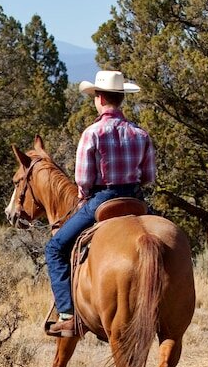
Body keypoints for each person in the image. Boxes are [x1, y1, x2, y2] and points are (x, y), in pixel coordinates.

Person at [47, 70, 156, 337]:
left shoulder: (92, 133)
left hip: (102, 200)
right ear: (121, 98)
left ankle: (68, 314)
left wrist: (84, 196)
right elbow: (149, 177)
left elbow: (83, 180)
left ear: (100, 98)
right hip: (135, 200)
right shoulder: (140, 134)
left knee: (55, 248)